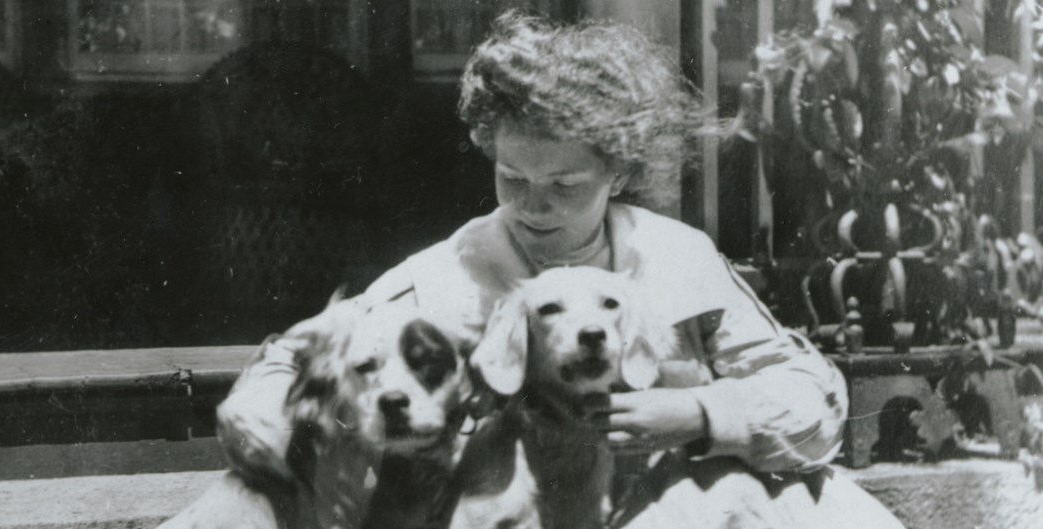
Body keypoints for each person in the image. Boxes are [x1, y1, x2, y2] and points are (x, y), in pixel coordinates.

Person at [214, 10, 906, 529]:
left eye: (565, 186)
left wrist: (700, 411)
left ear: (619, 170)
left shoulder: (676, 256)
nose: (532, 206)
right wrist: (318, 448)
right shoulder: (440, 277)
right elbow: (274, 381)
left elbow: (815, 401)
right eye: (511, 176)